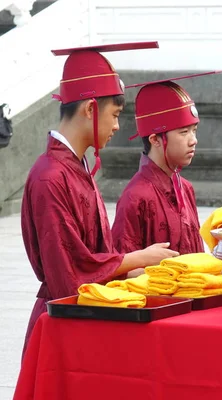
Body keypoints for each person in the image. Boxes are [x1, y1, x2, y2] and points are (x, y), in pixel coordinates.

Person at [20, 42, 179, 356]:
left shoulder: (75, 167)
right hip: (61, 323)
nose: (118, 125)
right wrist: (138, 258)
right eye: (115, 114)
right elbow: (68, 273)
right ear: (91, 109)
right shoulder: (51, 176)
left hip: (85, 315)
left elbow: (94, 258)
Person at [112, 72, 222, 255]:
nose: (193, 140)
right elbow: (122, 269)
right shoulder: (135, 198)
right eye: (184, 132)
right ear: (155, 139)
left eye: (194, 130)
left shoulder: (185, 188)